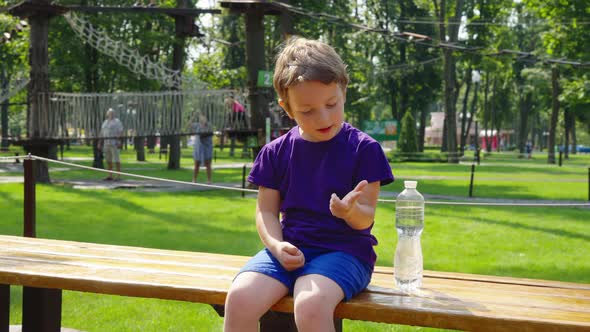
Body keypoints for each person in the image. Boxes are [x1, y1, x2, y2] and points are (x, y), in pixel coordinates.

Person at [223, 37, 394, 332]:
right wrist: (277, 246)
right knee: (239, 298)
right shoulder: (275, 152)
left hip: (346, 253)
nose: (323, 117)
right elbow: (266, 212)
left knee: (311, 304)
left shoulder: (364, 149)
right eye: (307, 110)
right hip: (288, 251)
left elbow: (366, 216)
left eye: (331, 104)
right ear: (287, 108)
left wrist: (348, 212)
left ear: (344, 91)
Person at [98, 108, 124, 181]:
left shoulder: (117, 122)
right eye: (109, 113)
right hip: (106, 144)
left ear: (114, 114)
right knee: (108, 160)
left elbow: (121, 132)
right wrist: (100, 143)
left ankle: (118, 176)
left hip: (115, 143)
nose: (111, 114)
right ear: (107, 114)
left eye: (112, 113)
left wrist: (120, 142)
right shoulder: (105, 122)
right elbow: (101, 133)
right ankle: (110, 175)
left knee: (116, 159)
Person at [191, 113, 213, 184]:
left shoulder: (209, 125)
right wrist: (193, 116)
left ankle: (209, 180)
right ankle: (194, 179)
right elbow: (188, 125)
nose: (202, 119)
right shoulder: (197, 125)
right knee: (196, 164)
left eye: (203, 117)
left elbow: (209, 133)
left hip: (207, 147)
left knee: (208, 164)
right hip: (198, 147)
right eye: (200, 118)